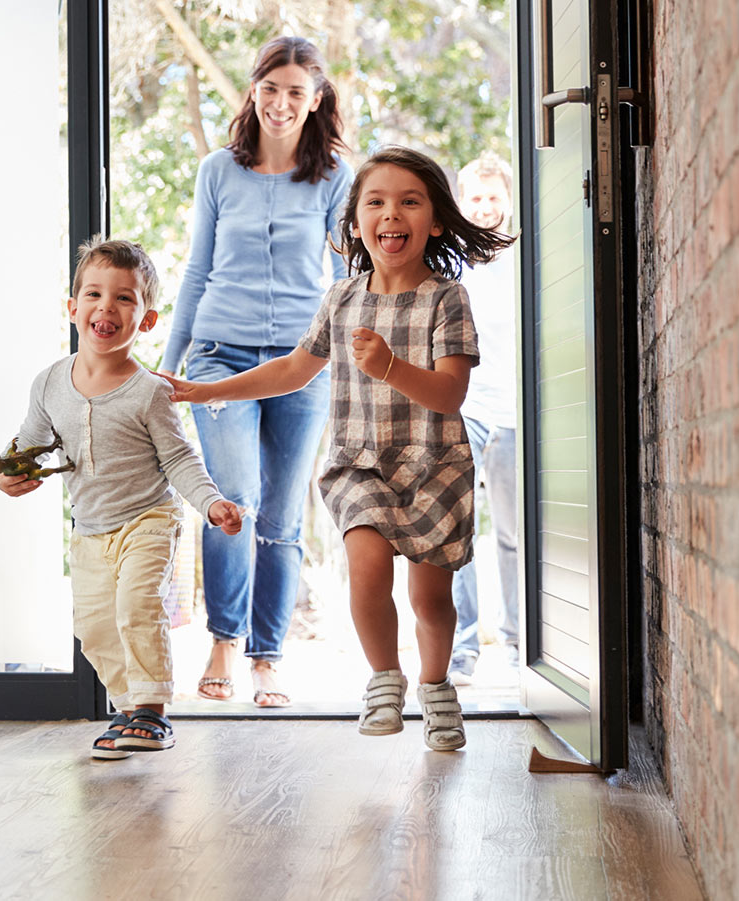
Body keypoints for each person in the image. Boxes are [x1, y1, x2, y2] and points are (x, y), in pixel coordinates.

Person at [162, 146, 516, 751]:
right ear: (354, 224)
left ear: (434, 220)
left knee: (430, 598)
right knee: (367, 569)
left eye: (409, 201)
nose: (391, 213)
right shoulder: (342, 299)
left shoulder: (447, 299)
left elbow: (451, 394)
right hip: (361, 465)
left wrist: (390, 366)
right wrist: (205, 388)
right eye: (375, 202)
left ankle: (435, 687)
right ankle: (384, 678)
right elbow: (294, 370)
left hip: (435, 466)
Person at [0, 236, 244, 760]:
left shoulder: (150, 391)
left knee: (136, 606)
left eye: (125, 298)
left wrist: (211, 502)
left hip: (147, 518)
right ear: (73, 309)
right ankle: (128, 708)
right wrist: (5, 473)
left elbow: (178, 459)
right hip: (89, 529)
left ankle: (152, 712)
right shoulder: (48, 384)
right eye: (94, 294)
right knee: (95, 626)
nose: (106, 306)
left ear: (146, 320)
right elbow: (30, 445)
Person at [157, 36, 354, 708]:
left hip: (303, 364)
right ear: (253, 90)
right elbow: (196, 269)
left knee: (280, 513)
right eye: (270, 88)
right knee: (231, 500)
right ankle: (222, 640)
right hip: (219, 356)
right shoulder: (219, 170)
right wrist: (166, 364)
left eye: (295, 92)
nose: (280, 103)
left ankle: (267, 655)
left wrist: (350, 359)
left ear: (315, 99)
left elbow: (346, 278)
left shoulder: (334, 179)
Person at [447, 152, 521, 685]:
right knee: (459, 532)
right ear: (461, 203)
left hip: (517, 412)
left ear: (510, 201)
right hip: (465, 408)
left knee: (516, 534)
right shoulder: (451, 266)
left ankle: (521, 644)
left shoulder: (528, 258)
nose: (486, 206)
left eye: (495, 196)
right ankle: (463, 649)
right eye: (476, 197)